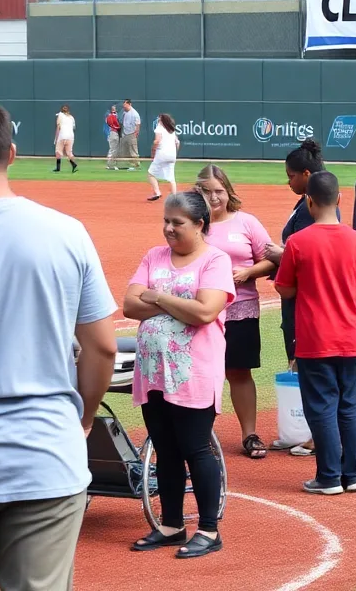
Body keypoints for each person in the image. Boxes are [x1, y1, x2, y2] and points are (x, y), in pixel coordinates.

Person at [0, 98, 117, 587]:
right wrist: (83, 418)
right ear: (13, 154)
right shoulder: (67, 233)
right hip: (45, 454)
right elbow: (103, 347)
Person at [125, 191, 235, 557]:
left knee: (195, 449)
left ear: (200, 224)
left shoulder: (215, 261)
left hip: (193, 374)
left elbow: (205, 312)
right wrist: (177, 305)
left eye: (178, 223)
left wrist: (157, 297)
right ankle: (171, 525)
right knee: (166, 450)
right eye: (166, 222)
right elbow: (128, 304)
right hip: (154, 373)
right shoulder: (154, 256)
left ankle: (208, 530)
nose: (168, 229)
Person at [275, 171, 356, 495]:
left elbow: (284, 288)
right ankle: (354, 473)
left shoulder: (298, 242)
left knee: (321, 407)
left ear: (308, 201)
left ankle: (329, 476)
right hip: (350, 338)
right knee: (349, 405)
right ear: (339, 199)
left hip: (314, 339)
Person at [197, 165, 276, 458]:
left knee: (239, 372)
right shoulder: (194, 223)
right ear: (198, 193)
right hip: (202, 311)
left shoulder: (246, 222)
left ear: (228, 192)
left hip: (240, 308)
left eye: (219, 191)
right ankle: (200, 435)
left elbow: (271, 258)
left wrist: (248, 272)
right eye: (208, 191)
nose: (214, 197)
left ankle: (250, 434)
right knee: (203, 373)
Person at [262, 139, 330, 370]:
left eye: (291, 176)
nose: (288, 181)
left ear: (307, 174)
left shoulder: (313, 208)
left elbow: (309, 257)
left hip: (304, 298)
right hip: (301, 297)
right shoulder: (308, 203)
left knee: (301, 363)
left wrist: (278, 254)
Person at [146, 113, 180, 200]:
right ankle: (174, 197)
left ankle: (157, 192)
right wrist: (175, 153)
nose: (158, 120)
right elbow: (177, 142)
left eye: (160, 119)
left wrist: (153, 152)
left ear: (162, 120)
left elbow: (157, 141)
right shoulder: (171, 130)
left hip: (162, 154)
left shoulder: (159, 128)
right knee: (171, 177)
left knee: (151, 174)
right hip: (172, 155)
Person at [53, 104, 78, 173]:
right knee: (69, 153)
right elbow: (74, 128)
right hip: (71, 136)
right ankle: (73, 164)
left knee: (58, 151)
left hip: (62, 136)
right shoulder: (72, 117)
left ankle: (58, 168)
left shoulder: (60, 115)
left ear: (61, 110)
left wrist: (56, 138)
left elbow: (58, 127)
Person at [105, 103, 123, 169]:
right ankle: (111, 165)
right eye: (114, 107)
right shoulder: (111, 116)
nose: (115, 108)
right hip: (113, 133)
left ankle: (110, 164)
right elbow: (116, 125)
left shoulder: (114, 115)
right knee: (113, 149)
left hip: (114, 133)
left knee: (113, 149)